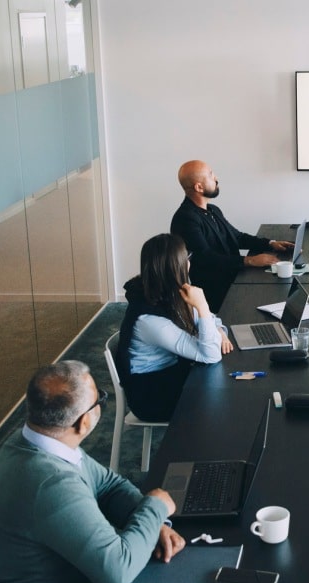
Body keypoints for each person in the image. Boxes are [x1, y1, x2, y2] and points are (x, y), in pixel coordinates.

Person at [0, 361, 185, 583]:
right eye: (101, 401)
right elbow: (118, 569)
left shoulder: (38, 441)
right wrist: (155, 508)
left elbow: (107, 485)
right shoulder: (50, 483)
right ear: (84, 422)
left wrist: (153, 526)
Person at [117, 233, 232, 422]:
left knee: (229, 384)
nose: (189, 262)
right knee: (228, 399)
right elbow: (210, 354)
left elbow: (212, 320)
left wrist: (218, 329)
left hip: (174, 373)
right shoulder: (148, 320)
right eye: (187, 257)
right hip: (153, 395)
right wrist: (202, 306)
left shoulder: (169, 290)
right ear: (178, 266)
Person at [169, 159, 293, 310]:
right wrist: (250, 260)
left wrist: (270, 243)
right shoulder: (185, 218)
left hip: (231, 279)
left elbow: (237, 237)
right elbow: (205, 257)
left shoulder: (213, 210)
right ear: (199, 187)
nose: (216, 178)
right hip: (215, 293)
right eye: (210, 175)